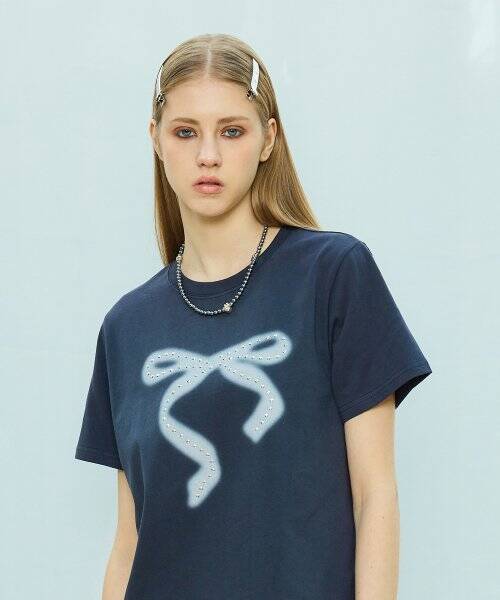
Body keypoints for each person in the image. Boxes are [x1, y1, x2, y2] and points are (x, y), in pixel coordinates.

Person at [75, 33, 432, 600]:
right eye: (185, 131)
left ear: (269, 138)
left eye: (231, 131)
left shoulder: (333, 275)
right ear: (155, 139)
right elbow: (130, 541)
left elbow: (375, 496)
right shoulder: (126, 326)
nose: (207, 155)